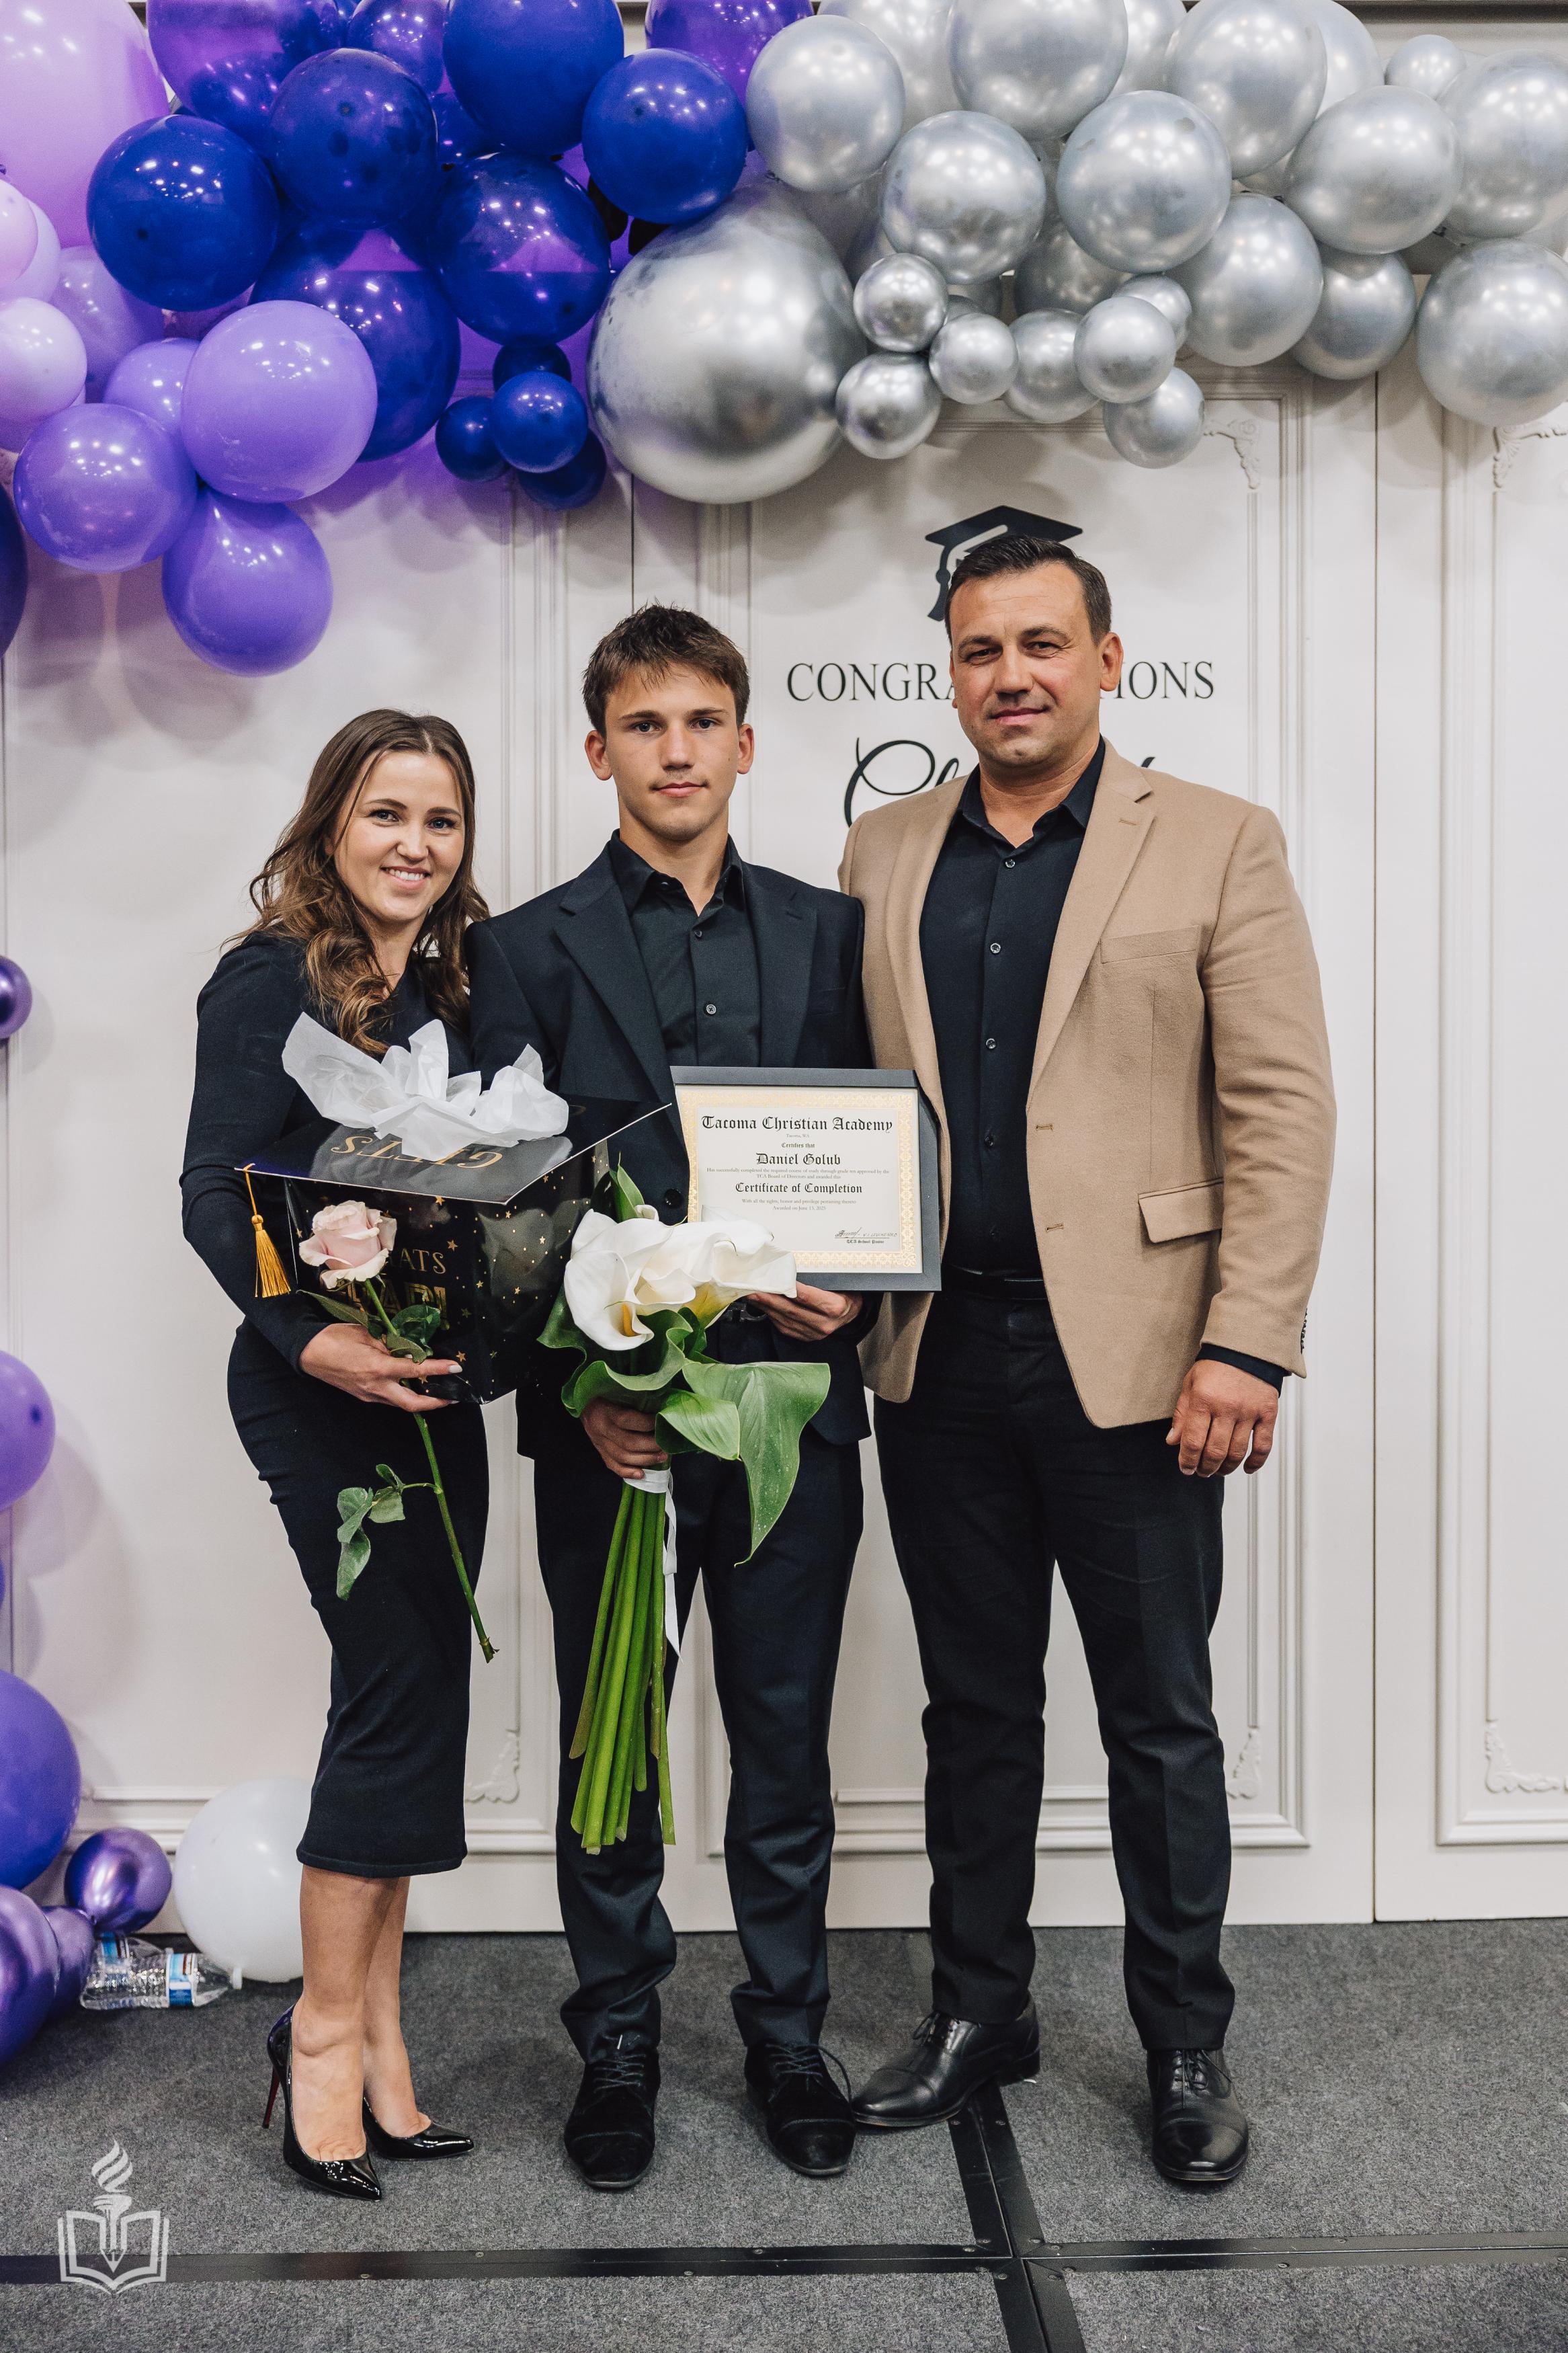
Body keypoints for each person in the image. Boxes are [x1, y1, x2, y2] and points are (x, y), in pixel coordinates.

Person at [839, 534, 1335, 2188]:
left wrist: (1247, 1338)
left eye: (1043, 643)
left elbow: (1281, 1106)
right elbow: (849, 1105)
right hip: (936, 1354)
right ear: (952, 672)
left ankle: (1185, 2039)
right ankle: (982, 2011)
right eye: (982, 650)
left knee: (1159, 1719)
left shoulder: (1217, 839)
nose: (1012, 676)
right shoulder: (882, 849)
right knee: (974, 1711)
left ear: (1108, 660)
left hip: (1144, 1362)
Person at [467, 605, 870, 2190]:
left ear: (746, 744)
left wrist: (864, 1287)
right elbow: (504, 1206)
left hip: (789, 1411)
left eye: (704, 722)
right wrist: (574, 1395)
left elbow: (877, 1147)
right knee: (613, 1741)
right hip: (615, 1424)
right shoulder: (524, 949)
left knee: (784, 1739)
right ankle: (619, 2035)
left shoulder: (830, 931)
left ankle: (789, 2033)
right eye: (646, 725)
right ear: (600, 750)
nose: (677, 751)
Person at [181, 711, 490, 2199]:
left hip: (428, 1392)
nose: (413, 845)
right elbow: (211, 1193)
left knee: (421, 1700)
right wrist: (315, 1341)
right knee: (390, 1697)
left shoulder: (452, 988)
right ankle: (319, 2036)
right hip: (318, 1393)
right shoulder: (269, 978)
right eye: (386, 814)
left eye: (440, 820)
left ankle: (376, 2032)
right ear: (330, 825)